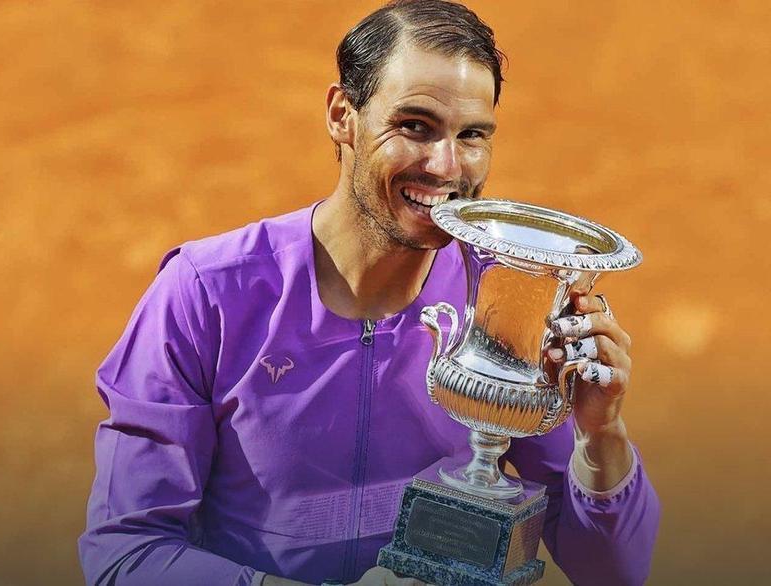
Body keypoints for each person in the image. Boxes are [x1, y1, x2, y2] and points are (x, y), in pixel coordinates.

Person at [79, 1, 660, 585]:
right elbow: (128, 553)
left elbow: (610, 573)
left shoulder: (505, 300)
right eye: (415, 126)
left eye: (472, 135)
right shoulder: (205, 293)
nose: (446, 166)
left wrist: (601, 434)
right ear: (342, 116)